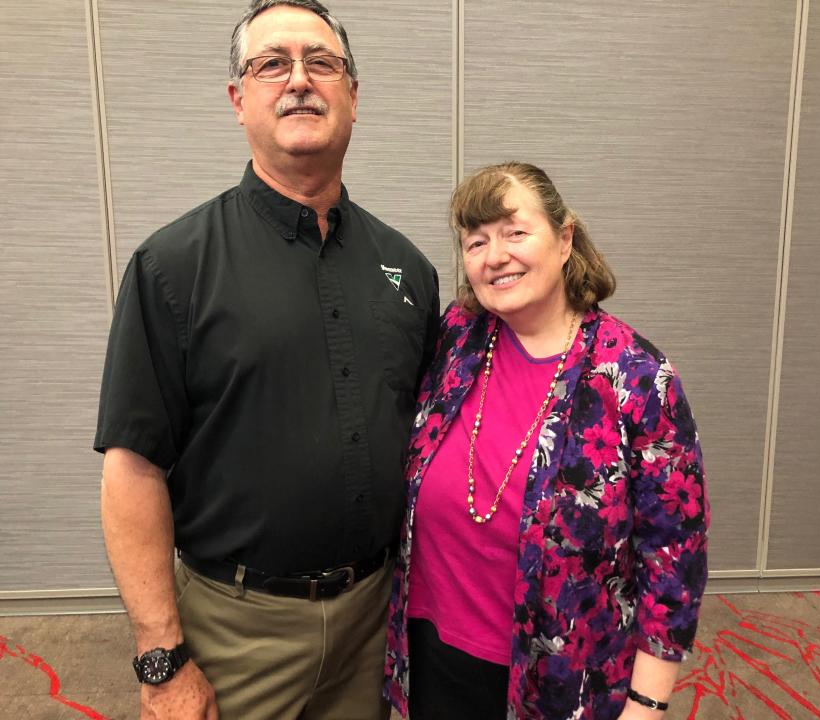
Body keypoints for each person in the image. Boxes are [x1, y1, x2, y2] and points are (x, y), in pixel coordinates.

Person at [94, 1, 439, 718]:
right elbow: (132, 469)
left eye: (322, 63)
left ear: (352, 94)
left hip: (376, 620)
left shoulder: (407, 267)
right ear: (238, 99)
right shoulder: (172, 267)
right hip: (234, 628)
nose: (299, 81)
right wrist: (161, 660)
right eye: (272, 64)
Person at [384, 162, 708, 719]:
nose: (494, 256)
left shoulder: (633, 375)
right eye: (476, 241)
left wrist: (647, 702)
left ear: (564, 239)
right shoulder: (455, 342)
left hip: (562, 679)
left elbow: (674, 551)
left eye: (515, 232)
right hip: (430, 654)